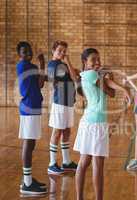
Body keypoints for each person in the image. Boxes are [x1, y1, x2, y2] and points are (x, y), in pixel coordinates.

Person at [74, 48, 131, 200]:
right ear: (85, 62)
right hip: (95, 124)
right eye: (93, 59)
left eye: (98, 59)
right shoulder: (91, 74)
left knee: (84, 162)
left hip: (89, 122)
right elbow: (107, 84)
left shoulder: (89, 75)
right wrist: (124, 89)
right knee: (97, 166)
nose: (97, 62)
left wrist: (109, 74)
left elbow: (110, 92)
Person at [16, 41, 47, 195]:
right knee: (28, 143)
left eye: (29, 50)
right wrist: (41, 63)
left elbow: (40, 83)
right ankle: (27, 184)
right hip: (29, 107)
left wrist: (42, 64)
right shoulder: (23, 65)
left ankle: (27, 179)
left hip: (33, 106)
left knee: (31, 143)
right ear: (19, 54)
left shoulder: (31, 66)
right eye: (24, 51)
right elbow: (41, 81)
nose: (27, 52)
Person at [47, 40, 80, 175]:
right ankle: (52, 163)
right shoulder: (53, 64)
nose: (62, 53)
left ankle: (66, 162)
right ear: (53, 51)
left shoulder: (63, 64)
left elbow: (74, 77)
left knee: (67, 131)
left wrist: (69, 63)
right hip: (60, 102)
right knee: (57, 132)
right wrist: (70, 69)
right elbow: (72, 77)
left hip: (69, 102)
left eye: (64, 51)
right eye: (59, 50)